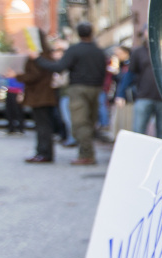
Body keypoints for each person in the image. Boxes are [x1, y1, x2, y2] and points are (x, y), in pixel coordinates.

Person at [37, 21, 108, 165]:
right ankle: (86, 152)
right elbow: (104, 71)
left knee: (79, 122)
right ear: (91, 33)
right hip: (96, 88)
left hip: (78, 88)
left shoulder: (74, 50)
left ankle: (87, 155)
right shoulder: (99, 51)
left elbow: (59, 67)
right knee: (90, 121)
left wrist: (38, 59)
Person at [10, 31, 58, 162]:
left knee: (43, 126)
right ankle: (43, 152)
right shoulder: (45, 55)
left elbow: (34, 75)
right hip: (43, 95)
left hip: (40, 95)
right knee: (43, 125)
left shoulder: (38, 57)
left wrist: (17, 75)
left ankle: (44, 153)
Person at [130, 26, 162, 140]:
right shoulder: (138, 52)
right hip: (144, 95)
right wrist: (120, 93)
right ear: (144, 33)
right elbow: (130, 74)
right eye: (148, 30)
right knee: (139, 129)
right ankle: (138, 155)